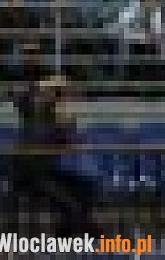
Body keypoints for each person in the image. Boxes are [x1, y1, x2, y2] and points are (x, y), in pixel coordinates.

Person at [10, 74, 100, 237]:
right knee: (68, 202)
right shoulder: (31, 114)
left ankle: (73, 230)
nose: (56, 96)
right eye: (54, 93)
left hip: (47, 170)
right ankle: (77, 229)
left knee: (83, 187)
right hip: (28, 173)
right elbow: (23, 99)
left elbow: (67, 140)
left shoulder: (55, 118)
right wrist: (43, 89)